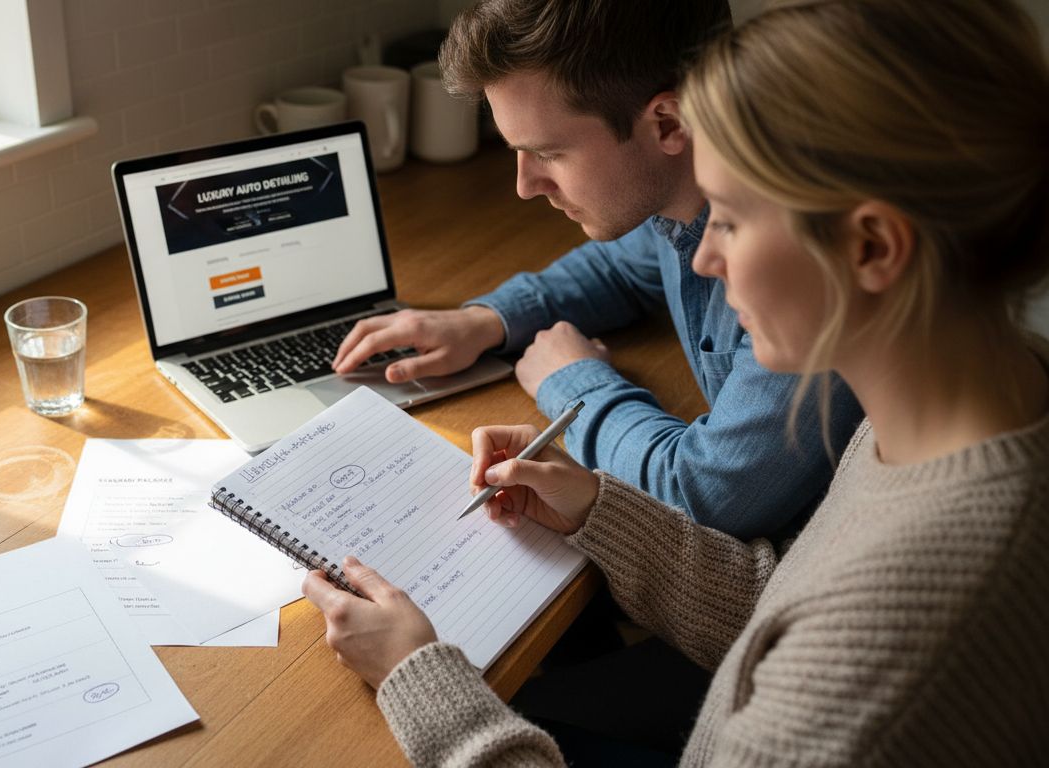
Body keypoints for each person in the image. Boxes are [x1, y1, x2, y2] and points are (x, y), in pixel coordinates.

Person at [304, 0, 1049, 763]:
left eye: (727, 219)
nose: (700, 261)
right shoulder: (944, 412)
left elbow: (823, 649)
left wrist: (418, 680)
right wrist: (600, 507)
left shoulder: (879, 672)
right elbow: (780, 609)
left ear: (871, 247)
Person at [332, 0, 861, 541]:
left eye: (549, 153)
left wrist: (574, 384)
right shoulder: (683, 195)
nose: (524, 186)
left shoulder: (803, 261)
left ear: (668, 122)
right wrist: (486, 321)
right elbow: (622, 266)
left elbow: (704, 496)